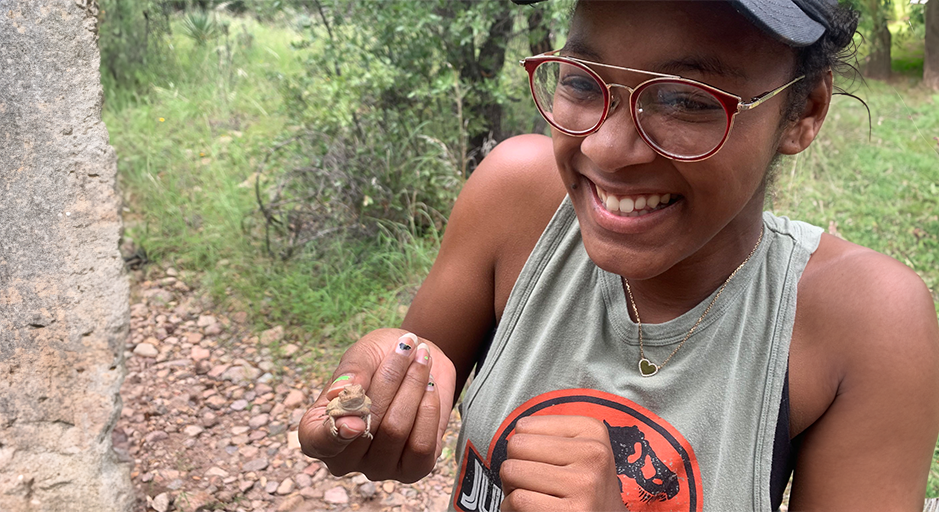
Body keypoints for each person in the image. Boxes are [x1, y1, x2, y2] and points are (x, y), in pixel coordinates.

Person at [299, 1, 939, 510]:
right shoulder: (514, 199)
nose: (605, 149)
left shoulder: (867, 324)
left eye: (687, 99)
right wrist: (375, 391)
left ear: (806, 110)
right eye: (581, 79)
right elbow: (412, 376)